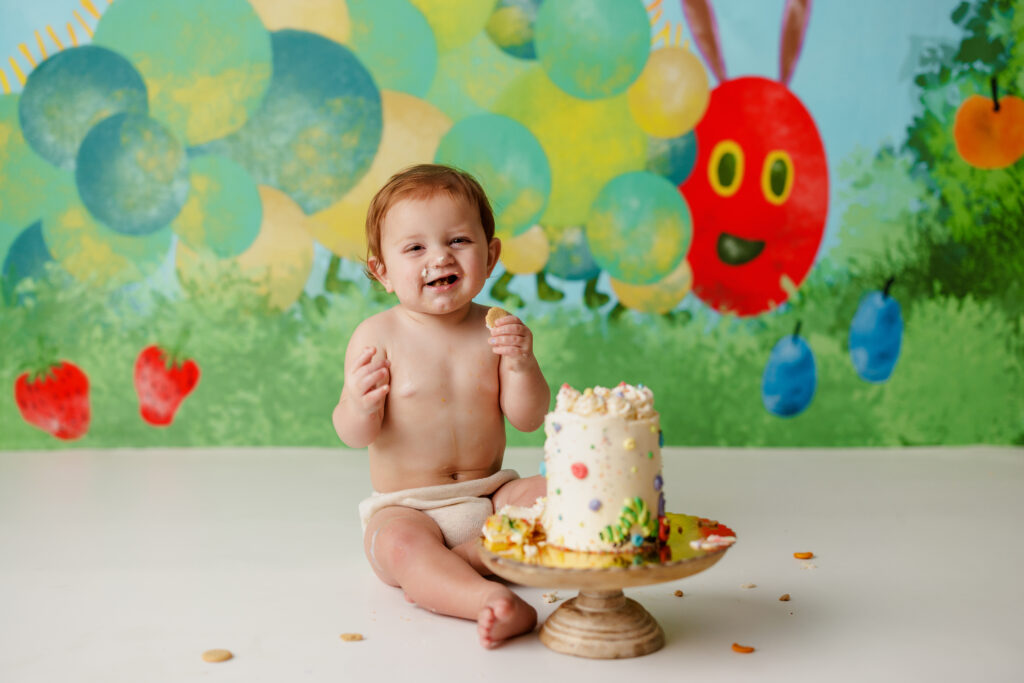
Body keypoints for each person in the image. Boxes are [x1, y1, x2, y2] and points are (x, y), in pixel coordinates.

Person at [332, 164, 550, 649]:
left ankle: (473, 555)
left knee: (562, 494)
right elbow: (353, 432)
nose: (439, 258)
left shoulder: (496, 328)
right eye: (415, 248)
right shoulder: (377, 337)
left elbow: (529, 418)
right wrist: (358, 402)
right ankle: (484, 600)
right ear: (382, 271)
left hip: (491, 496)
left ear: (490, 256)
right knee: (398, 548)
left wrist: (521, 366)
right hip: (408, 507)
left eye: (458, 242)